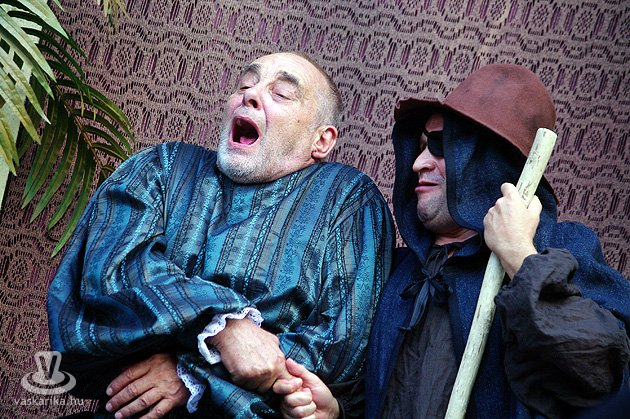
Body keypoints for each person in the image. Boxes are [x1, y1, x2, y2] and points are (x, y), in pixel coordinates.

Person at [47, 51, 394, 418]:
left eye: (280, 94)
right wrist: (224, 326)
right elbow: (111, 271)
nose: (251, 95)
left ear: (321, 141)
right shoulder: (163, 166)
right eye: (245, 85)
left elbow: (341, 350)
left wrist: (192, 373)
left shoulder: (347, 198)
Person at [274, 64, 630, 418]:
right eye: (421, 147)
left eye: (442, 147)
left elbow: (600, 373)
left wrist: (520, 256)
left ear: (489, 161)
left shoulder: (559, 249)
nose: (418, 163)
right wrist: (337, 412)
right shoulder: (398, 272)